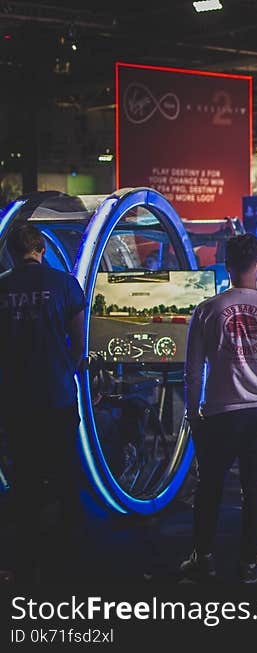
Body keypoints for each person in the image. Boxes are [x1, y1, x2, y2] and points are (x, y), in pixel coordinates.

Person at [181, 233, 257, 584]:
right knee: (256, 492)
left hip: (218, 413)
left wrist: (192, 413)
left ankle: (203, 559)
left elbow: (192, 371)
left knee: (209, 490)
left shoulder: (206, 310)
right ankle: (249, 565)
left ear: (227, 266)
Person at [0, 223, 86, 583]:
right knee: (67, 479)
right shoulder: (66, 284)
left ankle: (25, 562)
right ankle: (69, 561)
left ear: (10, 253)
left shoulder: (2, 286)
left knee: (24, 482)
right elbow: (80, 347)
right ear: (42, 249)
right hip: (58, 396)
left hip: (16, 401)